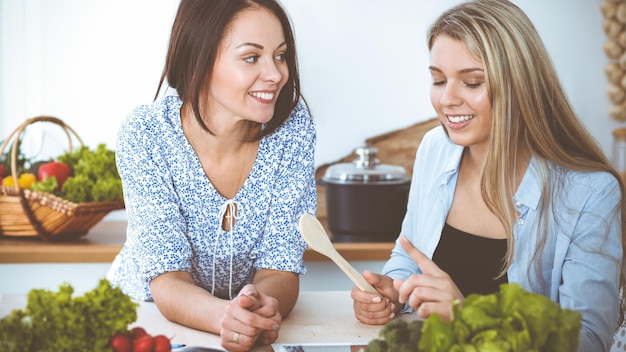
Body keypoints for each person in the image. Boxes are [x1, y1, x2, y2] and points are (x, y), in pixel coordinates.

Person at [351, 1, 626, 351]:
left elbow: (589, 340)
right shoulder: (435, 149)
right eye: (438, 79)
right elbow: (410, 254)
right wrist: (394, 290)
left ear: (519, 84)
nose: (446, 99)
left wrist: (469, 317)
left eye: (472, 82)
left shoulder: (590, 193)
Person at [106, 0, 316, 351]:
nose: (276, 74)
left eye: (280, 55)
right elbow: (167, 279)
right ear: (199, 60)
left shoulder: (292, 131)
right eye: (252, 57)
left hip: (248, 327)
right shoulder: (146, 133)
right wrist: (228, 318)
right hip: (151, 322)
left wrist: (258, 308)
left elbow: (281, 267)